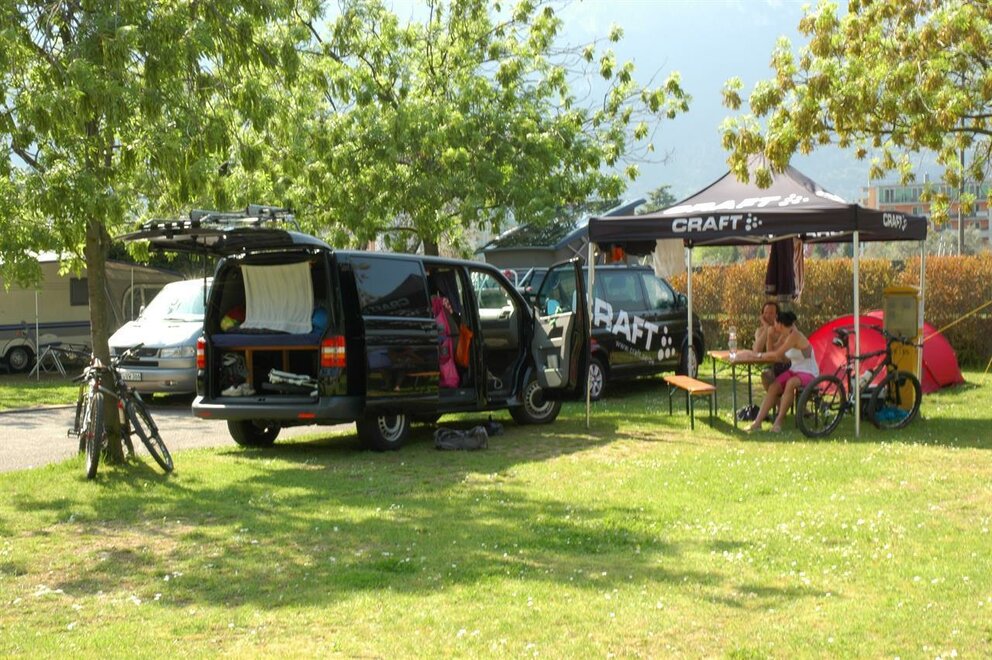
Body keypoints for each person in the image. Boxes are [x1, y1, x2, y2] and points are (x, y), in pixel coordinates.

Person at [737, 310, 818, 433]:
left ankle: (779, 421)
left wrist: (755, 355)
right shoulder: (785, 335)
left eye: (775, 322)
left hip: (809, 372)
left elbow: (776, 355)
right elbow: (773, 352)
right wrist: (769, 336)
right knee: (773, 387)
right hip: (794, 370)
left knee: (791, 383)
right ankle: (757, 423)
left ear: (780, 324)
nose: (773, 324)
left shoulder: (795, 335)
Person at [752, 300, 788, 391]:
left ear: (777, 315)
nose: (768, 316)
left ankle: (776, 398)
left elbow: (776, 354)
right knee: (766, 374)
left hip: (784, 365)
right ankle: (776, 398)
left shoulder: (783, 330)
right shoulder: (760, 331)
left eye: (771, 313)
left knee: (769, 376)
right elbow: (757, 350)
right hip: (769, 366)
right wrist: (766, 328)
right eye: (765, 313)